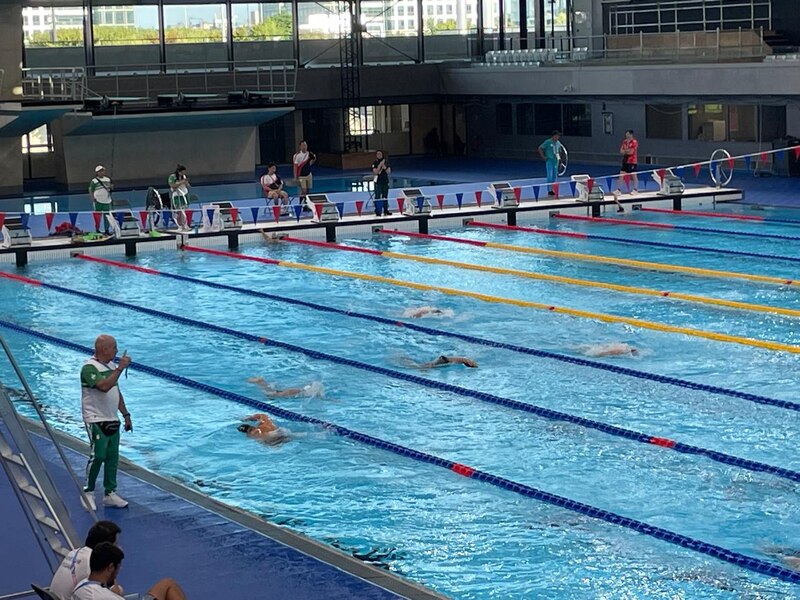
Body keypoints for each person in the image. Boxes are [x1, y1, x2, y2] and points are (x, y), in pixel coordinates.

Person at [81, 335, 133, 510]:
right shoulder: (89, 368)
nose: (117, 351)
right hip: (95, 419)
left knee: (112, 458)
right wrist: (119, 370)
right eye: (114, 347)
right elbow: (103, 387)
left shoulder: (111, 366)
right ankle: (87, 492)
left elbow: (116, 393)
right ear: (104, 349)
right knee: (98, 456)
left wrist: (126, 415)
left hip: (112, 418)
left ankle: (110, 493)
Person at [71, 542, 187, 600]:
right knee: (169, 585)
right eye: (118, 567)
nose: (119, 572)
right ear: (110, 567)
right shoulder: (105, 597)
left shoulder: (81, 586)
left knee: (166, 584)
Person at [50, 521, 122, 600]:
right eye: (115, 544)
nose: (117, 547)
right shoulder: (92, 561)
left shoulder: (74, 552)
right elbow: (114, 592)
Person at [614, 129, 639, 204]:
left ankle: (635, 189)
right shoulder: (624, 141)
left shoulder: (634, 142)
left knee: (634, 175)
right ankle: (618, 190)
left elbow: (631, 152)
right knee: (621, 174)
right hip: (625, 161)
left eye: (628, 134)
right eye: (626, 134)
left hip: (632, 161)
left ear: (631, 135)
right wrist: (626, 151)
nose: (626, 135)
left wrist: (626, 151)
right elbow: (621, 151)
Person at [537, 131, 564, 196]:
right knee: (550, 175)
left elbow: (559, 152)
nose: (558, 137)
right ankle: (549, 190)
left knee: (555, 175)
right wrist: (543, 156)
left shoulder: (558, 143)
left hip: (556, 161)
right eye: (557, 136)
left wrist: (560, 161)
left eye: (559, 136)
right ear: (554, 136)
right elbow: (540, 148)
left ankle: (554, 189)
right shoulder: (548, 142)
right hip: (549, 160)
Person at [247, 376, 324, 398]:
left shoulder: (308, 390)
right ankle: (260, 382)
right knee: (270, 394)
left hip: (293, 390)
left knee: (270, 393)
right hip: (291, 392)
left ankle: (260, 382)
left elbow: (310, 385)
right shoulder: (312, 393)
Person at [88, 166, 113, 234]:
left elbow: (109, 188)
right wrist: (92, 197)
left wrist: (111, 188)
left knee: (107, 216)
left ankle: (107, 230)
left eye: (103, 171)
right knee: (97, 216)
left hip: (107, 200)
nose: (102, 172)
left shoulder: (108, 179)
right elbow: (91, 189)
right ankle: (97, 229)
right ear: (97, 173)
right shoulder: (94, 181)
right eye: (100, 171)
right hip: (97, 200)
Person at [168, 165, 191, 230]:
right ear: (178, 171)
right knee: (180, 212)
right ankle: (180, 226)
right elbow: (173, 186)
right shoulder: (172, 177)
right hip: (177, 196)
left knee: (185, 211)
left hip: (184, 195)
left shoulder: (183, 176)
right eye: (182, 172)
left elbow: (187, 185)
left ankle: (186, 225)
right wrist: (181, 182)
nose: (183, 174)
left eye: (184, 172)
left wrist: (186, 183)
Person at [372, 150, 392, 216]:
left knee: (385, 196)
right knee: (377, 196)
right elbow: (375, 172)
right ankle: (377, 210)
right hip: (378, 182)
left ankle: (385, 210)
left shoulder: (385, 162)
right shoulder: (375, 162)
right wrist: (380, 165)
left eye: (380, 154)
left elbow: (389, 171)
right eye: (378, 154)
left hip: (385, 181)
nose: (379, 155)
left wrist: (385, 168)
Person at [401, 355, 478, 369]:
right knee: (420, 367)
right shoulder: (464, 360)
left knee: (420, 366)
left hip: (445, 360)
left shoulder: (464, 360)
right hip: (445, 361)